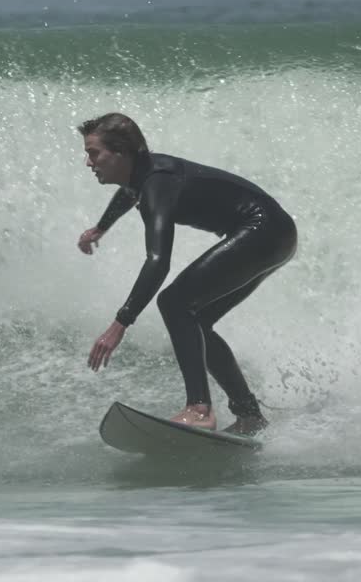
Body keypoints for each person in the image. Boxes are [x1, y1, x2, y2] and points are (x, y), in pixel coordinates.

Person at [77, 112, 297, 435]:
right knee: (196, 319)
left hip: (262, 230)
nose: (88, 162)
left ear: (121, 152)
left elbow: (157, 261)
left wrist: (120, 322)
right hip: (275, 233)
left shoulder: (157, 183)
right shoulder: (143, 175)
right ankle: (249, 415)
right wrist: (101, 227)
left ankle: (199, 409)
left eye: (94, 153)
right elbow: (128, 193)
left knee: (175, 303)